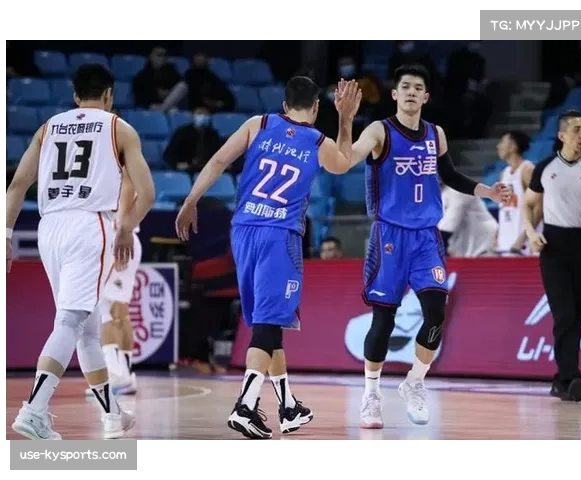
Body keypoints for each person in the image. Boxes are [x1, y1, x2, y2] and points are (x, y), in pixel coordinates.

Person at [176, 76, 362, 439]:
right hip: (280, 235)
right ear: (316, 108)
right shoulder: (318, 141)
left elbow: (218, 160)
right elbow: (343, 164)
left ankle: (288, 405)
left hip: (243, 231)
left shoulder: (258, 124)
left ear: (284, 104)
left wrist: (190, 200)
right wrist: (345, 118)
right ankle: (245, 405)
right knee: (267, 325)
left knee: (270, 322)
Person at [334, 65, 510, 428]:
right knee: (383, 320)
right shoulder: (379, 130)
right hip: (389, 236)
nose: (411, 92)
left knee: (435, 313)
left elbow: (450, 176)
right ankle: (371, 394)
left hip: (427, 236)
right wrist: (345, 120)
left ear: (426, 97)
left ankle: (414, 381)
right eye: (405, 87)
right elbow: (345, 160)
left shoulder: (435, 133)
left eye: (418, 87)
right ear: (395, 94)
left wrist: (488, 191)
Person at [6, 63, 155, 440]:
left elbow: (18, 183)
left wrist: (4, 234)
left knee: (87, 326)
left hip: (50, 226)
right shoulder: (119, 127)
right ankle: (34, 410)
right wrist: (125, 228)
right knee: (71, 322)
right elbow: (148, 193)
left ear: (75, 96)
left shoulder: (47, 127)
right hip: (90, 225)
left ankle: (112, 415)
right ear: (109, 95)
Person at [522, 109, 581, 402]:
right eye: (576, 129)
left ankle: (563, 379)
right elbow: (528, 203)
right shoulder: (545, 167)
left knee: (577, 315)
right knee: (564, 314)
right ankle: (570, 377)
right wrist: (530, 232)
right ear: (562, 135)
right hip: (555, 247)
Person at [86, 170, 142, 396]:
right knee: (117, 311)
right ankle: (124, 373)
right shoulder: (121, 167)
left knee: (107, 311)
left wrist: (119, 230)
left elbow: (128, 189)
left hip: (118, 239)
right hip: (122, 238)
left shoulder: (123, 168)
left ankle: (116, 373)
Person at [495, 131, 542, 256]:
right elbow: (504, 208)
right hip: (506, 241)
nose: (498, 146)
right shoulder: (504, 173)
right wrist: (496, 236)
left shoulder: (527, 170)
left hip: (524, 243)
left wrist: (523, 238)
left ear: (513, 146)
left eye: (502, 142)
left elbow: (539, 208)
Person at [438, 181, 498, 257]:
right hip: (464, 244)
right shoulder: (441, 193)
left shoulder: (458, 191)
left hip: (485, 243)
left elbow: (447, 228)